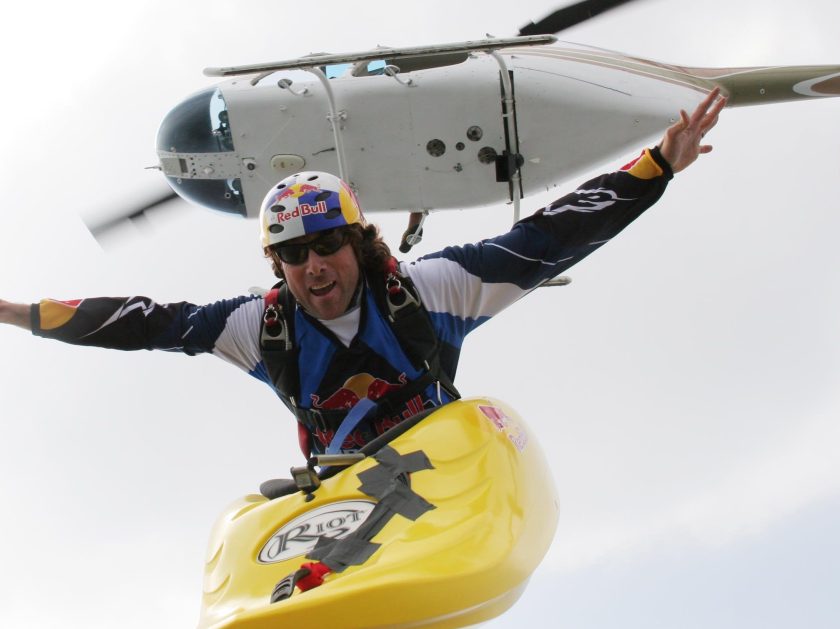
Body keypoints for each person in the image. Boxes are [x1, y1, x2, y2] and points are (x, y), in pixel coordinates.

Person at [0, 89, 726, 457]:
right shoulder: (260, 326)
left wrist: (655, 166)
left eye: (328, 246)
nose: (314, 268)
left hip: (444, 467)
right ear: (277, 262)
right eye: (294, 255)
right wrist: (11, 311)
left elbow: (548, 239)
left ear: (360, 242)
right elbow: (143, 322)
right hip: (340, 497)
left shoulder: (432, 289)